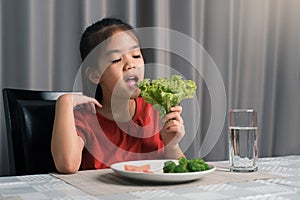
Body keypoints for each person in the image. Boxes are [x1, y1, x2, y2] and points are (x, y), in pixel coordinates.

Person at [51, 18, 186, 174]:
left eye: (136, 56)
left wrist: (172, 145)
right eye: (116, 60)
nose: (131, 65)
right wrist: (64, 102)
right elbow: (67, 165)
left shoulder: (156, 110)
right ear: (95, 75)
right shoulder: (85, 118)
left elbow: (182, 171)